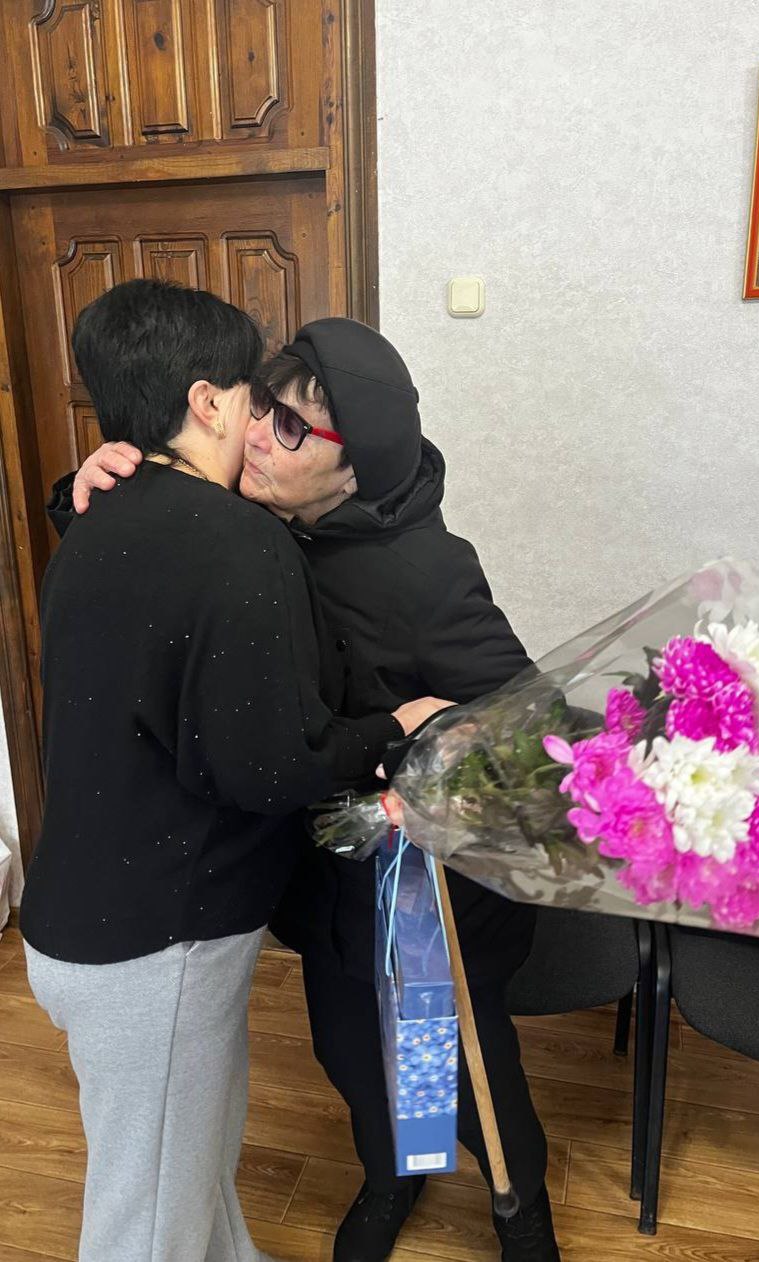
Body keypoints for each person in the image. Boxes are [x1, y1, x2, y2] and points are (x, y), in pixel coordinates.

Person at [60, 317, 562, 1262]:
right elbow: (148, 566)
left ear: (353, 468)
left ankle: (518, 1207)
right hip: (324, 872)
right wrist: (84, 487)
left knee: (452, 1066)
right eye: (262, 407)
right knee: (347, 1050)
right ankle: (392, 1175)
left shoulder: (427, 574)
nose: (255, 434)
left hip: (424, 890)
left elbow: (528, 725)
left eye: (291, 428)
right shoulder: (249, 519)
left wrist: (432, 768)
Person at [23, 282, 446, 1262]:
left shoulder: (98, 512)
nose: (263, 430)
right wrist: (394, 726)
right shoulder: (233, 539)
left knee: (192, 1162)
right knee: (146, 1223)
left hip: (85, 913)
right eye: (259, 402)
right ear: (208, 401)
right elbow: (268, 765)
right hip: (156, 935)